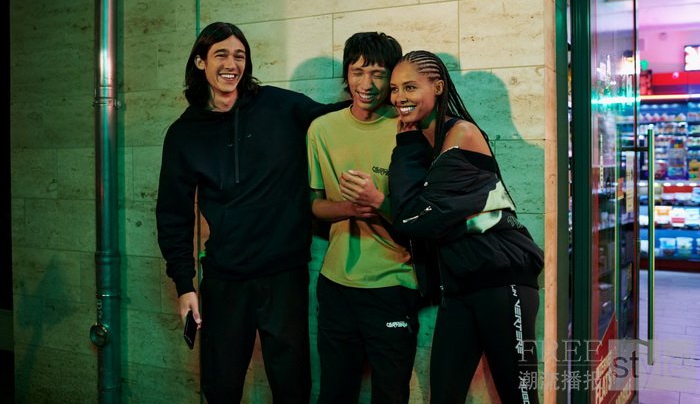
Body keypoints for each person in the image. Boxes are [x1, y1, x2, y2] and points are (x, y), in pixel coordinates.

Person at [156, 21, 348, 404]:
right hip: (225, 278)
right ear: (200, 62)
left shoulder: (279, 106)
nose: (232, 64)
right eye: (221, 55)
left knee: (292, 388)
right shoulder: (183, 134)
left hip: (284, 275)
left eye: (239, 55)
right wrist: (184, 285)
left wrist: (382, 94)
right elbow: (173, 214)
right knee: (221, 388)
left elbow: (334, 119)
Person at [386, 50, 544, 404]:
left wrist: (406, 143)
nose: (399, 97)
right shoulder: (427, 140)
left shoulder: (461, 134)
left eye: (410, 87)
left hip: (501, 280)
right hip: (459, 286)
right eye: (394, 89)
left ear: (438, 87)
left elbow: (413, 217)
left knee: (519, 397)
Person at [306, 32, 420, 404]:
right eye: (358, 72)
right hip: (335, 283)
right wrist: (351, 208)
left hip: (393, 282)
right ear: (347, 74)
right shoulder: (322, 129)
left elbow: (425, 215)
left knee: (391, 394)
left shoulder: (409, 129)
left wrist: (379, 202)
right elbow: (315, 205)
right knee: (335, 393)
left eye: (378, 74)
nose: (366, 84)